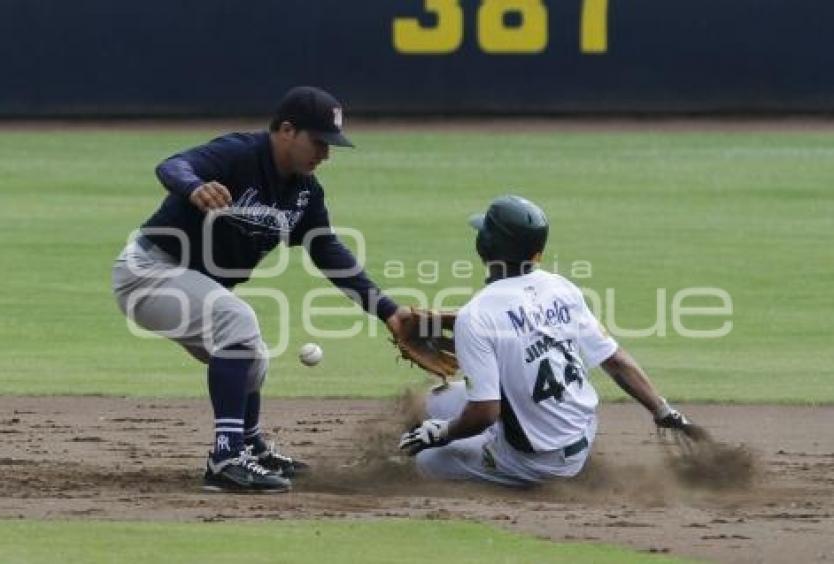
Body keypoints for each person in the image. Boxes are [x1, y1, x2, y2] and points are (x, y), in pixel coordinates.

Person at [112, 86, 406, 493]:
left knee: (253, 358)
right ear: (287, 130)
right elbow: (173, 165)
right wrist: (194, 187)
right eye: (318, 142)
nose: (325, 154)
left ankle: (249, 446)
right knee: (238, 321)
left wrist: (387, 310)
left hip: (188, 280)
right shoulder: (239, 153)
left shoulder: (305, 192)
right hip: (149, 270)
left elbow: (327, 249)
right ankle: (225, 458)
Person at [399, 195, 696, 486]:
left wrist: (441, 433)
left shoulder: (477, 317)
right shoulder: (560, 287)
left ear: (485, 246)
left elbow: (485, 413)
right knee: (437, 401)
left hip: (534, 461)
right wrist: (662, 411)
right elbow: (616, 361)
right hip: (582, 433)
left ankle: (503, 468)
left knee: (429, 460)